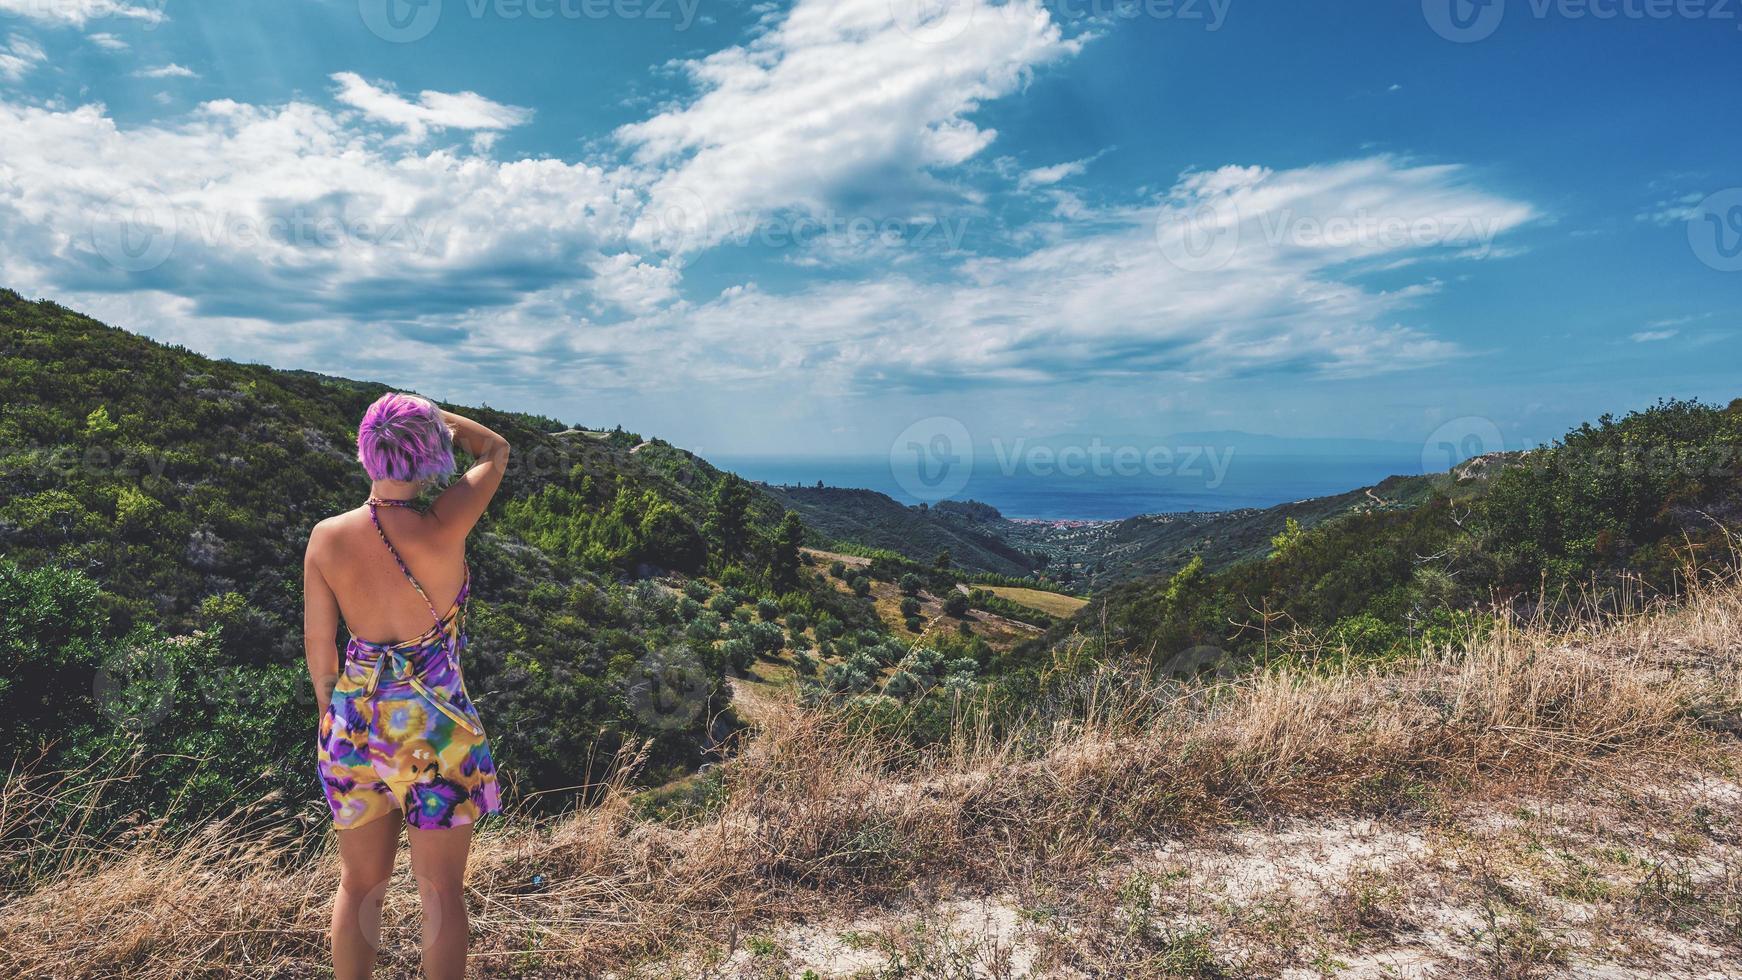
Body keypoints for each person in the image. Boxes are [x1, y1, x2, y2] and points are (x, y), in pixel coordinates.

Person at [303, 393, 510, 980]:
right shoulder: (447, 522)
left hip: (352, 724)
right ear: (427, 455)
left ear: (365, 452)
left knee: (359, 885)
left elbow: (321, 650)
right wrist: (441, 424)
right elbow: (496, 449)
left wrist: (336, 718)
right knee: (441, 893)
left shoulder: (326, 537)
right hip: (432, 730)